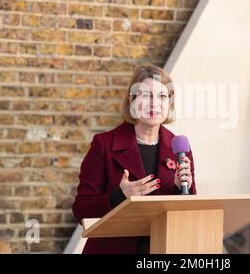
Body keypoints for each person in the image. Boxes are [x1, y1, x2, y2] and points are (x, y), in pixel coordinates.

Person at [72, 64, 196, 254]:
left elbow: (189, 214)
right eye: (146, 96)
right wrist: (119, 196)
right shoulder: (104, 145)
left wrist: (180, 190)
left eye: (162, 96)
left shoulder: (179, 147)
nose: (155, 103)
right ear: (132, 100)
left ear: (169, 102)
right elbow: (81, 211)